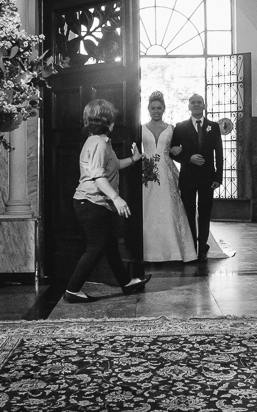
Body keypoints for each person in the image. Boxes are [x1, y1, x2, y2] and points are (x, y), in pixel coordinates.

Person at [66, 99, 151, 303]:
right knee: (95, 247)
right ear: (109, 123)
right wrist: (117, 198)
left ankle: (126, 283)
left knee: (110, 246)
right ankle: (72, 290)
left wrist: (133, 160)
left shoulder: (100, 142)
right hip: (90, 203)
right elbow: (98, 176)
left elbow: (110, 167)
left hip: (96, 203)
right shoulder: (98, 144)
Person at [141, 92, 198, 262]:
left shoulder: (171, 128)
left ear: (164, 108)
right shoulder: (141, 128)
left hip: (166, 171)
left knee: (169, 204)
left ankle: (175, 249)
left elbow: (179, 147)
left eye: (159, 108)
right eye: (153, 108)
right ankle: (148, 250)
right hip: (147, 171)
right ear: (148, 109)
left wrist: (180, 150)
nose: (156, 111)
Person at [171, 93, 223, 261]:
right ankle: (191, 245)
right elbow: (172, 152)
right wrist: (188, 158)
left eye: (199, 102)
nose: (196, 104)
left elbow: (219, 153)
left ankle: (203, 246)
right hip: (188, 176)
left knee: (205, 212)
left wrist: (218, 176)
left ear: (204, 105)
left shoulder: (213, 127)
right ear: (188, 106)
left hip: (208, 178)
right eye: (192, 102)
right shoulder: (180, 127)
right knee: (189, 211)